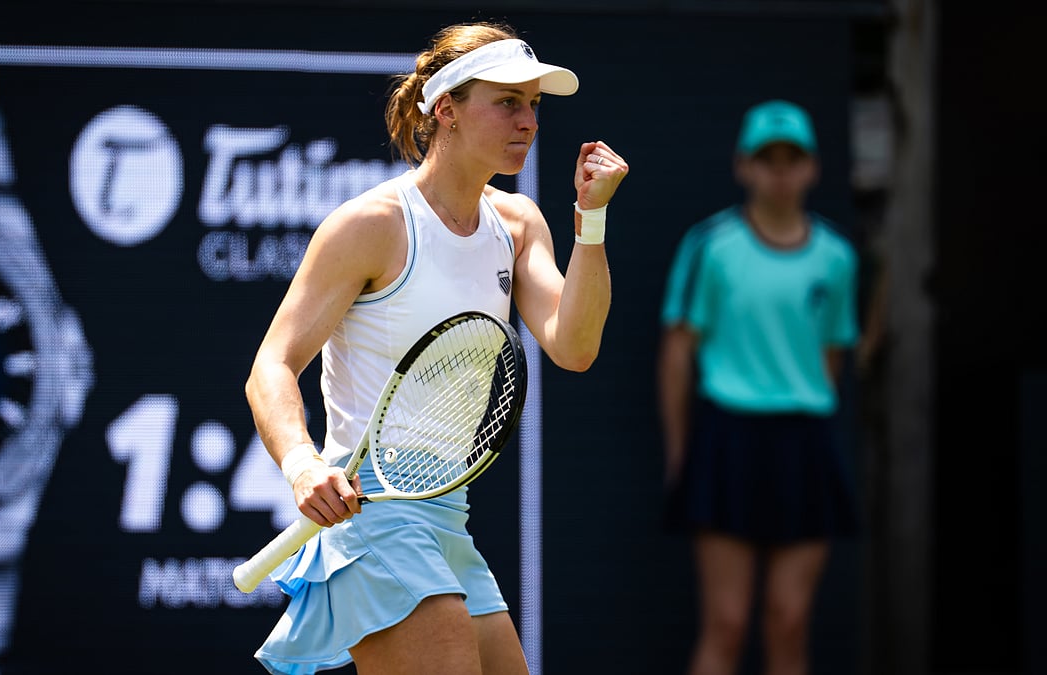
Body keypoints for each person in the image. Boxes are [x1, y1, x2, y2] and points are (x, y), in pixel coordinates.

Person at [245, 22, 628, 675]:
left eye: (534, 103)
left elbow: (575, 344)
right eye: (508, 101)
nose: (528, 120)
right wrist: (305, 467)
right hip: (371, 514)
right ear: (445, 107)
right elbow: (271, 367)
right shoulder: (372, 225)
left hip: (447, 520)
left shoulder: (519, 223)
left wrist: (590, 221)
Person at [657, 99, 859, 675]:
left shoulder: (837, 257)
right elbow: (677, 353)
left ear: (812, 168)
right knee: (727, 623)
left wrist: (803, 409)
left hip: (806, 444)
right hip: (728, 441)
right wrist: (682, 454)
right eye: (766, 158)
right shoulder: (711, 246)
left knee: (789, 622)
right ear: (744, 166)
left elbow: (832, 357)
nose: (779, 171)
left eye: (791, 158)